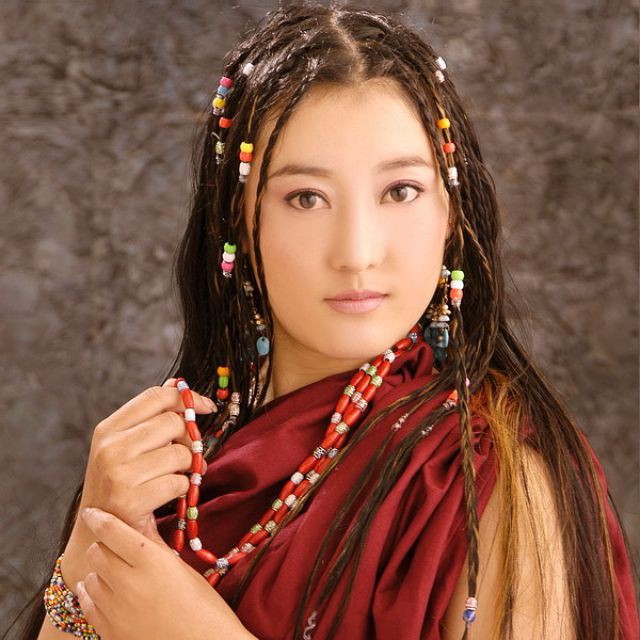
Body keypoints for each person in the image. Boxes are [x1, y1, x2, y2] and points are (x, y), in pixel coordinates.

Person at [9, 2, 638, 639]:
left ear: (450, 213)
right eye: (306, 198)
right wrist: (92, 542)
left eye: (400, 191)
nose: (357, 253)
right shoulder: (167, 464)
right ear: (237, 221)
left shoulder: (493, 477)